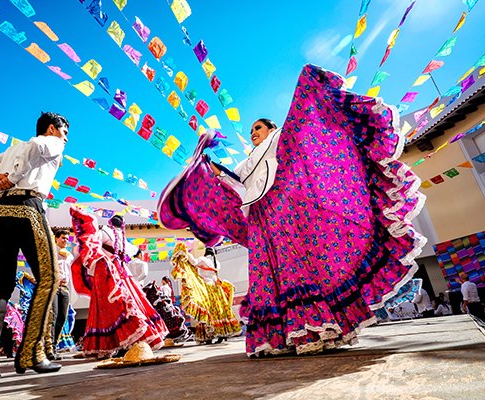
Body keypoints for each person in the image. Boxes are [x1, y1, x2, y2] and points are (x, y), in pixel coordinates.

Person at [159, 64, 426, 356]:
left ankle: (320, 326)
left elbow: (301, 143)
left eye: (257, 128)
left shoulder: (281, 140)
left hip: (288, 213)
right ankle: (284, 335)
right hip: (261, 220)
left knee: (300, 267)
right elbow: (236, 186)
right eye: (250, 131)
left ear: (271, 128)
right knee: (270, 274)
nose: (253, 134)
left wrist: (308, 90)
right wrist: (211, 171)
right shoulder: (247, 162)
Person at [0, 112, 69, 385]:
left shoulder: (12, 148)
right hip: (27, 209)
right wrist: (12, 178)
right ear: (52, 128)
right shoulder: (49, 142)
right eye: (65, 132)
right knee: (50, 278)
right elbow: (38, 147)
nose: (66, 138)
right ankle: (31, 353)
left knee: (1, 283)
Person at [69, 208, 168, 358]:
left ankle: (121, 343)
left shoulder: (104, 232)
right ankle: (126, 342)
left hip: (109, 273)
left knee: (110, 308)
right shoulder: (123, 237)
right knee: (125, 305)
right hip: (122, 272)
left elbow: (88, 249)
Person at [170, 244, 241, 344]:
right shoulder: (217, 263)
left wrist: (186, 252)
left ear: (205, 252)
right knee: (220, 312)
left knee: (209, 312)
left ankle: (210, 335)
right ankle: (222, 334)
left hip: (207, 288)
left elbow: (193, 262)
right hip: (217, 289)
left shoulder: (203, 260)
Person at [49, 229, 74, 360]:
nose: (65, 240)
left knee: (62, 317)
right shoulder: (51, 251)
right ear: (56, 238)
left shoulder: (70, 255)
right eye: (63, 238)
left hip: (64, 288)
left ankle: (54, 346)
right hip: (53, 287)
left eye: (67, 238)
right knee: (53, 317)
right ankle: (50, 348)